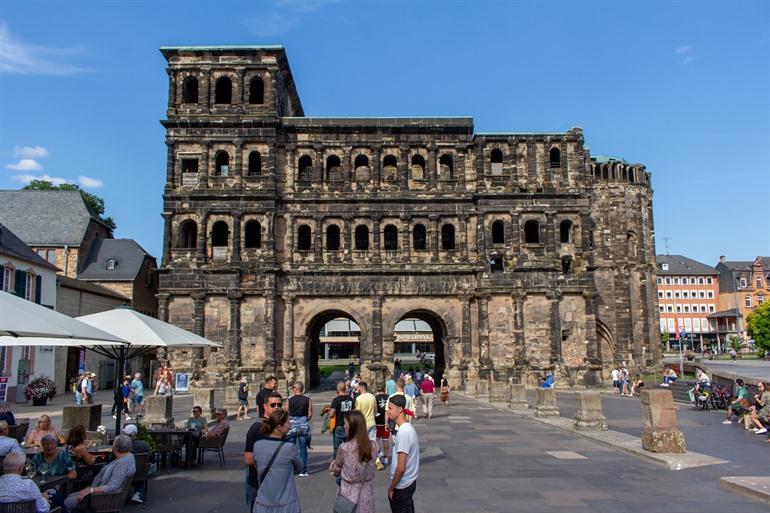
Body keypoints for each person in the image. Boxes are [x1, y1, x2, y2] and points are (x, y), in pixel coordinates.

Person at [63, 434, 136, 511]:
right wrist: (90, 488)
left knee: (67, 502)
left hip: (102, 499)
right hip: (103, 495)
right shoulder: (129, 456)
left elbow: (113, 486)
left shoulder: (122, 463)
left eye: (113, 444)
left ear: (116, 447)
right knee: (69, 497)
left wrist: (91, 490)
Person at [252, 409, 302, 513]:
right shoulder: (289, 448)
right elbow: (300, 467)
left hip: (263, 502)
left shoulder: (257, 445)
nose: (290, 426)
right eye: (288, 423)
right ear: (279, 427)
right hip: (287, 503)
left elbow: (256, 465)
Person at [330, 410, 377, 513]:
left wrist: (333, 466)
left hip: (348, 494)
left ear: (352, 427)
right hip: (366, 492)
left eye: (345, 423)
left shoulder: (344, 448)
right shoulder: (373, 446)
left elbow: (337, 469)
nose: (344, 426)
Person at [244, 392, 284, 509]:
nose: (277, 407)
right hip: (259, 483)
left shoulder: (279, 428)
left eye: (279, 404)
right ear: (265, 406)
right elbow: (248, 459)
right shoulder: (257, 428)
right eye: (273, 405)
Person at [387, 394, 419, 513]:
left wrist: (391, 487)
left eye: (390, 408)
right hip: (408, 483)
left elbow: (401, 468)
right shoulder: (407, 428)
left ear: (400, 409)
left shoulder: (404, 432)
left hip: (402, 486)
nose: (388, 411)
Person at [286, 382, 313, 477]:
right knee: (303, 448)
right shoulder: (307, 399)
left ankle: (291, 469)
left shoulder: (289, 399)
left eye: (293, 387)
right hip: (303, 426)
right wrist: (304, 419)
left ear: (296, 389)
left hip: (292, 426)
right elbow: (310, 414)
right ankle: (303, 470)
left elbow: (286, 413)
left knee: (290, 448)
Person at [121, 424, 149, 504]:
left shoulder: (122, 446)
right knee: (144, 469)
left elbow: (112, 459)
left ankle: (125, 494)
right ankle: (138, 493)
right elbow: (150, 458)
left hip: (125, 473)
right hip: (140, 473)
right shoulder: (144, 444)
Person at [329, 381, 354, 459]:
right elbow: (353, 412)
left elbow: (331, 414)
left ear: (337, 389)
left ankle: (336, 466)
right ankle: (349, 465)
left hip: (339, 426)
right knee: (349, 448)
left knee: (337, 449)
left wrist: (329, 411)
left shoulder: (336, 400)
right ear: (345, 388)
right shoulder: (350, 399)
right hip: (349, 426)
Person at [374, 385, 391, 464]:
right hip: (386, 422)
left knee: (375, 440)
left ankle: (378, 454)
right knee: (385, 440)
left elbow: (375, 409)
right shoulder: (389, 397)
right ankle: (386, 456)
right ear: (385, 389)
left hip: (377, 421)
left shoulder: (375, 398)